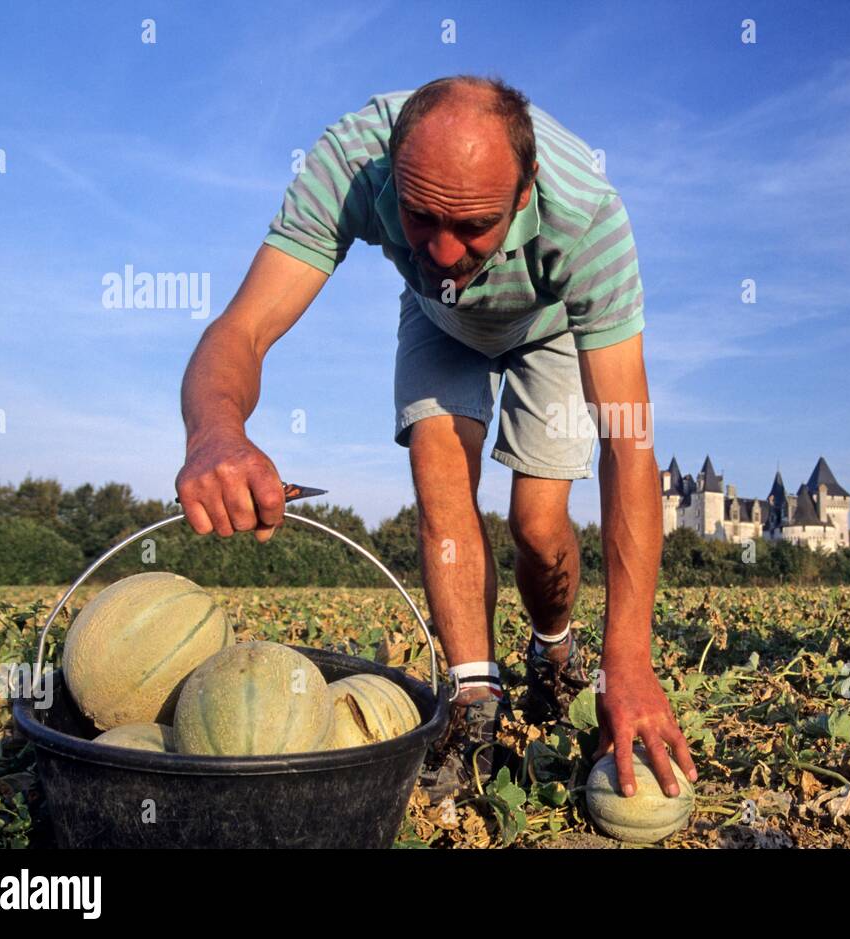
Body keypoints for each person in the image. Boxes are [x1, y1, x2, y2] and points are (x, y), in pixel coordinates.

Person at [174, 75, 696, 801]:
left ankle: (554, 649)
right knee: (441, 476)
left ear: (524, 192)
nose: (445, 251)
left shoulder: (588, 219)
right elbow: (242, 329)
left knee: (539, 529)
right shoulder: (351, 163)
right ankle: (475, 703)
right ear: (393, 168)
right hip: (438, 322)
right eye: (421, 217)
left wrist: (630, 657)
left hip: (547, 330)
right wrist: (215, 433)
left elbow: (628, 443)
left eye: (473, 225)